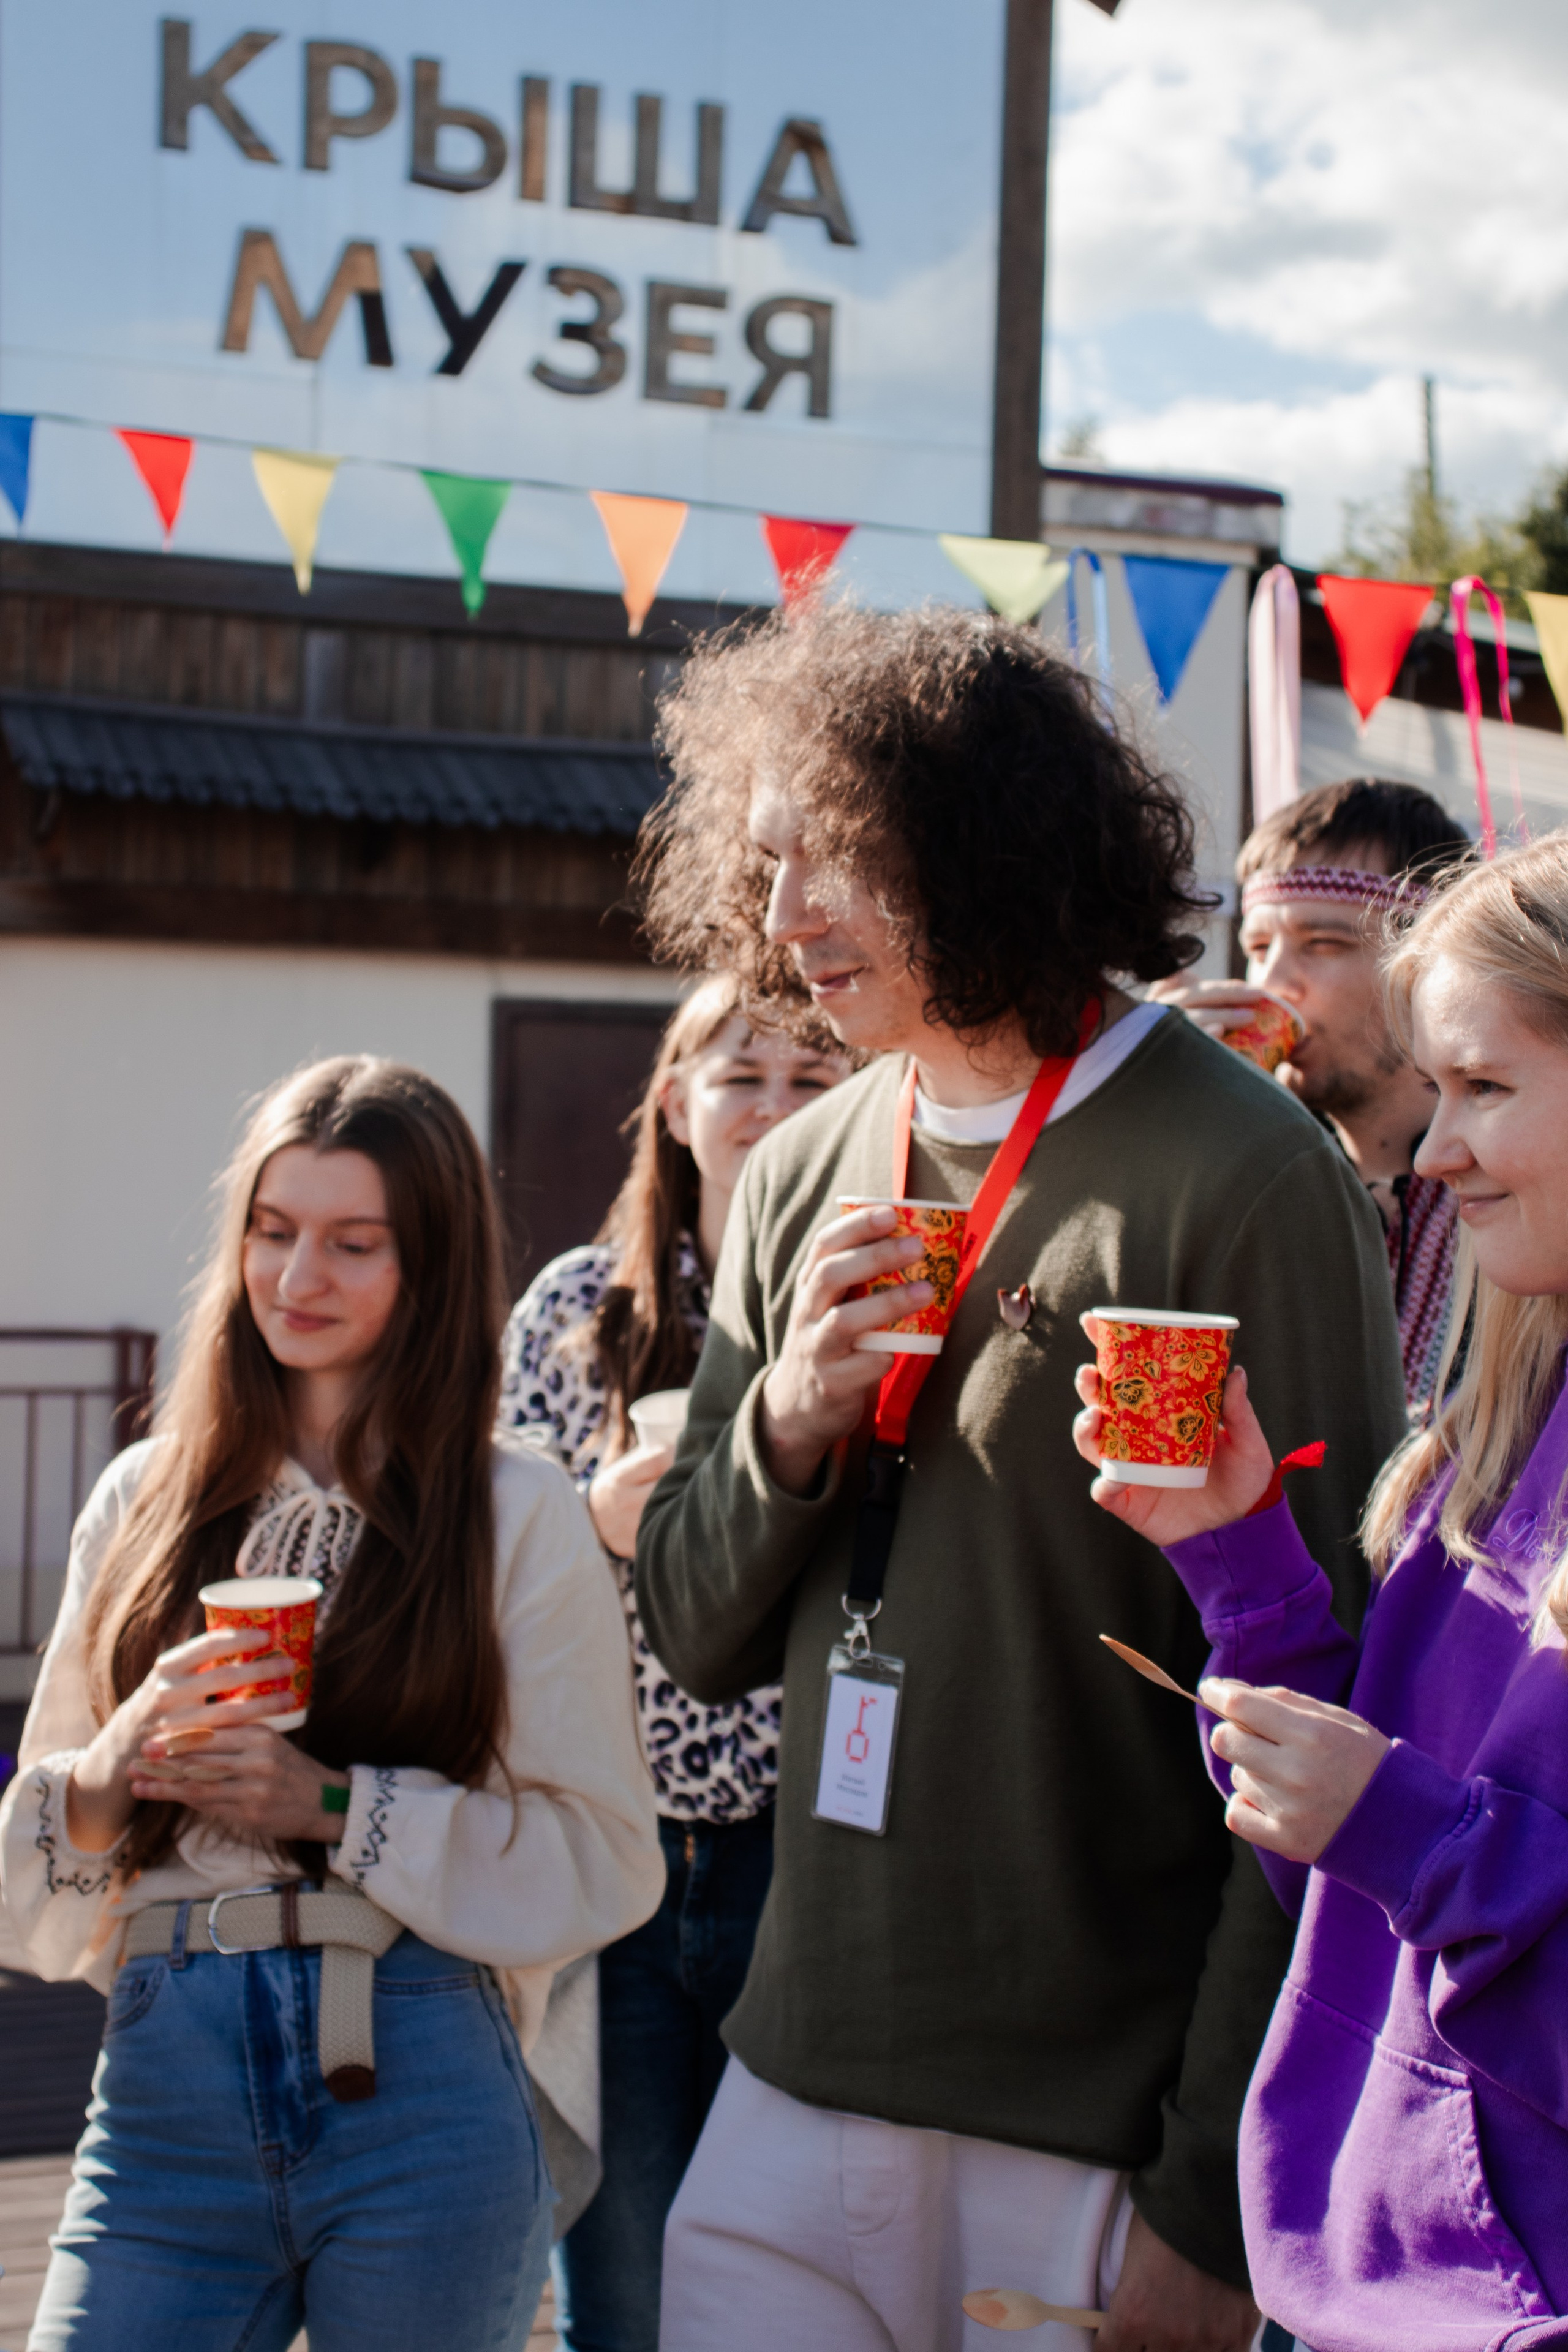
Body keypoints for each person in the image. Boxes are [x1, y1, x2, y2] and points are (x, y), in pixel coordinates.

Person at [630, 603, 1408, 2352]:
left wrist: (1212, 2216)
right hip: (788, 2076)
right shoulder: (803, 1164)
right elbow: (692, 1626)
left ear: (986, 844)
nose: (781, 923)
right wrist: (788, 1432)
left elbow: (1332, 1716)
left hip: (1094, 2141)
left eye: (836, 858)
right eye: (764, 867)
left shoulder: (1254, 1172)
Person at [0, 1056, 663, 2352]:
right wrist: (112, 1765)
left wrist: (334, 1806)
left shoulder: (514, 1511)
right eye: (273, 1231)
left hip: (419, 2067)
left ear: (429, 1269)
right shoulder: (144, 1498)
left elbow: (604, 1856)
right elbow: (24, 1894)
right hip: (164, 2078)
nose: (297, 1282)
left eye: (353, 1245)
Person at [1074, 831, 1568, 2348]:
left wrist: (1401, 1823)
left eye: (1481, 1088)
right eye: (1435, 1095)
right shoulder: (1493, 1428)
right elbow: (1352, 1887)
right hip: (1361, 2280)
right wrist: (1236, 1556)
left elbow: (1425, 1858)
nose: (1431, 1155)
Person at [497, 978, 849, 2352]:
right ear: (674, 1103)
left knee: (795, 2290)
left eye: (809, 1082)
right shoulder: (578, 1306)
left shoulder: (876, 1300)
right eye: (740, 1075)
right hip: (615, 1848)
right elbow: (486, 1561)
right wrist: (589, 1519)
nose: (769, 1108)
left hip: (809, 1847)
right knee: (625, 2292)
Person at [1152, 778, 1471, 1414]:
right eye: (1257, 949)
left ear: (1428, 966)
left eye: (1323, 945)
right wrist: (1169, 1122)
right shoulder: (1258, 1180)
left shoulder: (1514, 1191)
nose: (1271, 985)